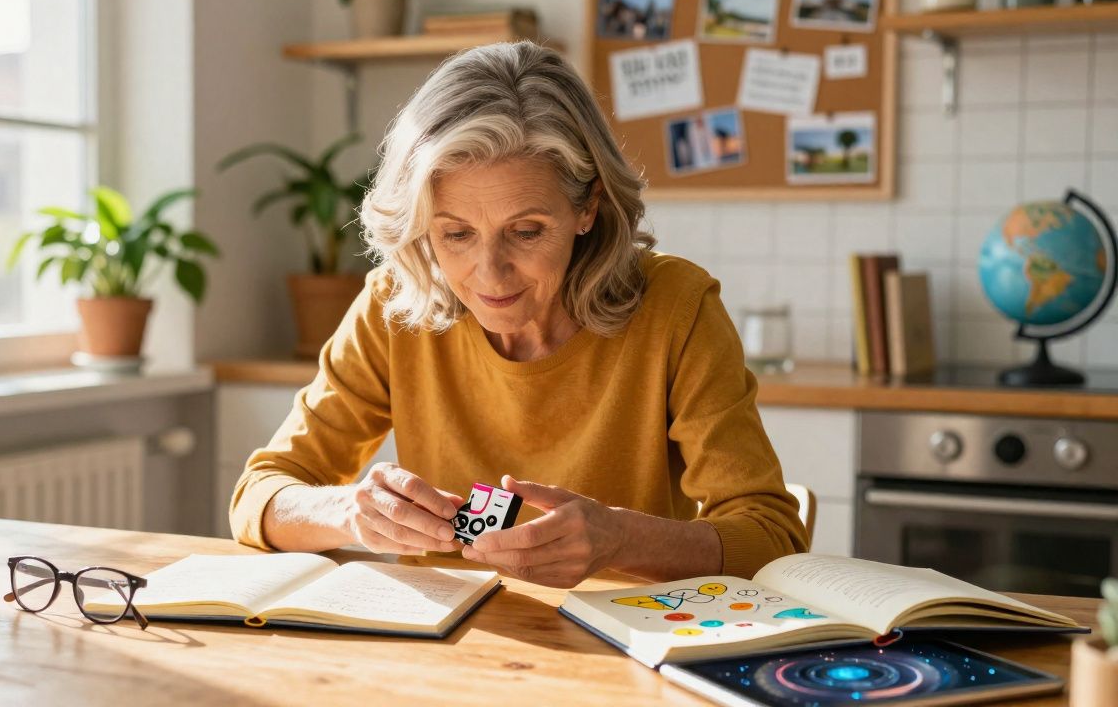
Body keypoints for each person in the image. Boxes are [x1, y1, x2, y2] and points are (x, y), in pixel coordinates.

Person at [229, 41, 807, 588]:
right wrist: (348, 511)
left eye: (526, 231)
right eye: (455, 234)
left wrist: (621, 540)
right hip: (446, 656)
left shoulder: (675, 308)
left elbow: (772, 538)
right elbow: (258, 497)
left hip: (624, 653)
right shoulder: (393, 305)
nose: (490, 273)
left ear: (588, 207)